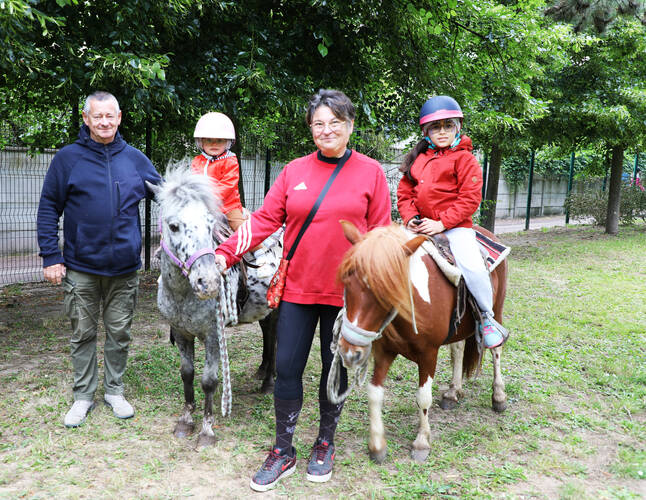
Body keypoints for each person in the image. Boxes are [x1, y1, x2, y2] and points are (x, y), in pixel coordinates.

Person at [214, 89, 391, 491]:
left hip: (347, 297)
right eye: (318, 123)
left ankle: (325, 443)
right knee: (288, 367)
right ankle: (283, 449)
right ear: (310, 128)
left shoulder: (371, 173)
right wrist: (224, 254)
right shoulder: (294, 171)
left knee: (335, 369)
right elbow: (264, 220)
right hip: (297, 289)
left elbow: (381, 233)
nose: (326, 130)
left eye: (335, 122)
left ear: (349, 126)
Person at [37, 91, 162, 428]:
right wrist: (51, 256)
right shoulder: (68, 159)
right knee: (82, 333)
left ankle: (114, 391)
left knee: (120, 332)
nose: (104, 122)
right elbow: (48, 207)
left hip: (125, 268)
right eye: (98, 116)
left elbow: (167, 196)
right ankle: (83, 396)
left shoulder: (136, 159)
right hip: (81, 267)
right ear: (86, 119)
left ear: (119, 118)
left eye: (110, 116)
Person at [396, 95, 508, 349]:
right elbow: (404, 194)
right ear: (426, 132)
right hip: (420, 225)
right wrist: (410, 218)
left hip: (455, 229)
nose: (442, 131)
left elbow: (470, 199)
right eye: (435, 127)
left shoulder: (465, 159)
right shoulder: (418, 159)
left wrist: (441, 223)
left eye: (448, 125)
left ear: (457, 128)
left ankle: (486, 318)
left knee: (474, 267)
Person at [191, 112, 275, 272]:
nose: (214, 144)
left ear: (228, 143)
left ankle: (260, 253)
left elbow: (228, 185)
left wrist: (208, 197)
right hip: (202, 207)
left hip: (227, 207)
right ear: (201, 142)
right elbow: (193, 181)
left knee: (240, 227)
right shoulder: (197, 161)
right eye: (208, 140)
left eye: (219, 140)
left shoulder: (230, 160)